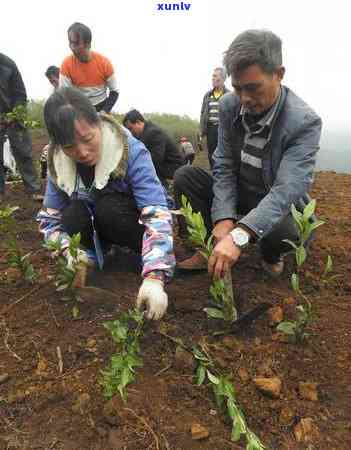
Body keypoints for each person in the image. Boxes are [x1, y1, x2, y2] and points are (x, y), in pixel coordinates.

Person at [175, 29, 322, 279]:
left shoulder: (304, 122)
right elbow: (224, 164)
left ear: (279, 74)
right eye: (238, 88)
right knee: (185, 176)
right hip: (242, 192)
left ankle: (269, 255)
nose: (245, 98)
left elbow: (287, 190)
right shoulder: (228, 106)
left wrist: (241, 233)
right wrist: (223, 217)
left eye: (254, 88)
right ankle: (210, 248)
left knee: (283, 231)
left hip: (277, 203)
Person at [37, 87, 175, 320]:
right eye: (69, 146)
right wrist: (68, 250)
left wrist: (155, 276)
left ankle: (137, 256)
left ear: (98, 124)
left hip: (129, 222)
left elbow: (156, 213)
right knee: (73, 214)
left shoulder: (129, 150)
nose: (81, 152)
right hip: (98, 229)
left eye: (88, 139)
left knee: (108, 208)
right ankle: (94, 256)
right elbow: (50, 221)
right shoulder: (57, 162)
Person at [0, 53, 42, 203]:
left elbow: (20, 94)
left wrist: (13, 115)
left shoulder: (7, 64)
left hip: (12, 114)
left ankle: (33, 189)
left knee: (23, 151)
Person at [60, 22, 119, 113]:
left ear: (88, 44)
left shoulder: (104, 63)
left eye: (75, 43)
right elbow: (64, 96)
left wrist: (104, 111)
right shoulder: (66, 65)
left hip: (102, 108)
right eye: (70, 42)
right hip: (80, 110)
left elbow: (114, 92)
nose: (72, 47)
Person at [123, 109, 184, 187]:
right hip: (164, 166)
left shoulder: (153, 133)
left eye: (131, 128)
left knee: (146, 171)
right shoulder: (144, 134)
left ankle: (162, 193)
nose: (130, 133)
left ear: (138, 122)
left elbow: (156, 159)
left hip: (174, 168)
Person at [200, 67, 230, 168]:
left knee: (224, 152)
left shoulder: (229, 95)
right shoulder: (207, 95)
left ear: (222, 79)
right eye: (213, 76)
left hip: (224, 128)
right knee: (211, 153)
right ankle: (213, 174)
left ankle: (223, 173)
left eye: (215, 76)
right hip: (211, 128)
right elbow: (203, 113)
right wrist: (201, 131)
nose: (213, 78)